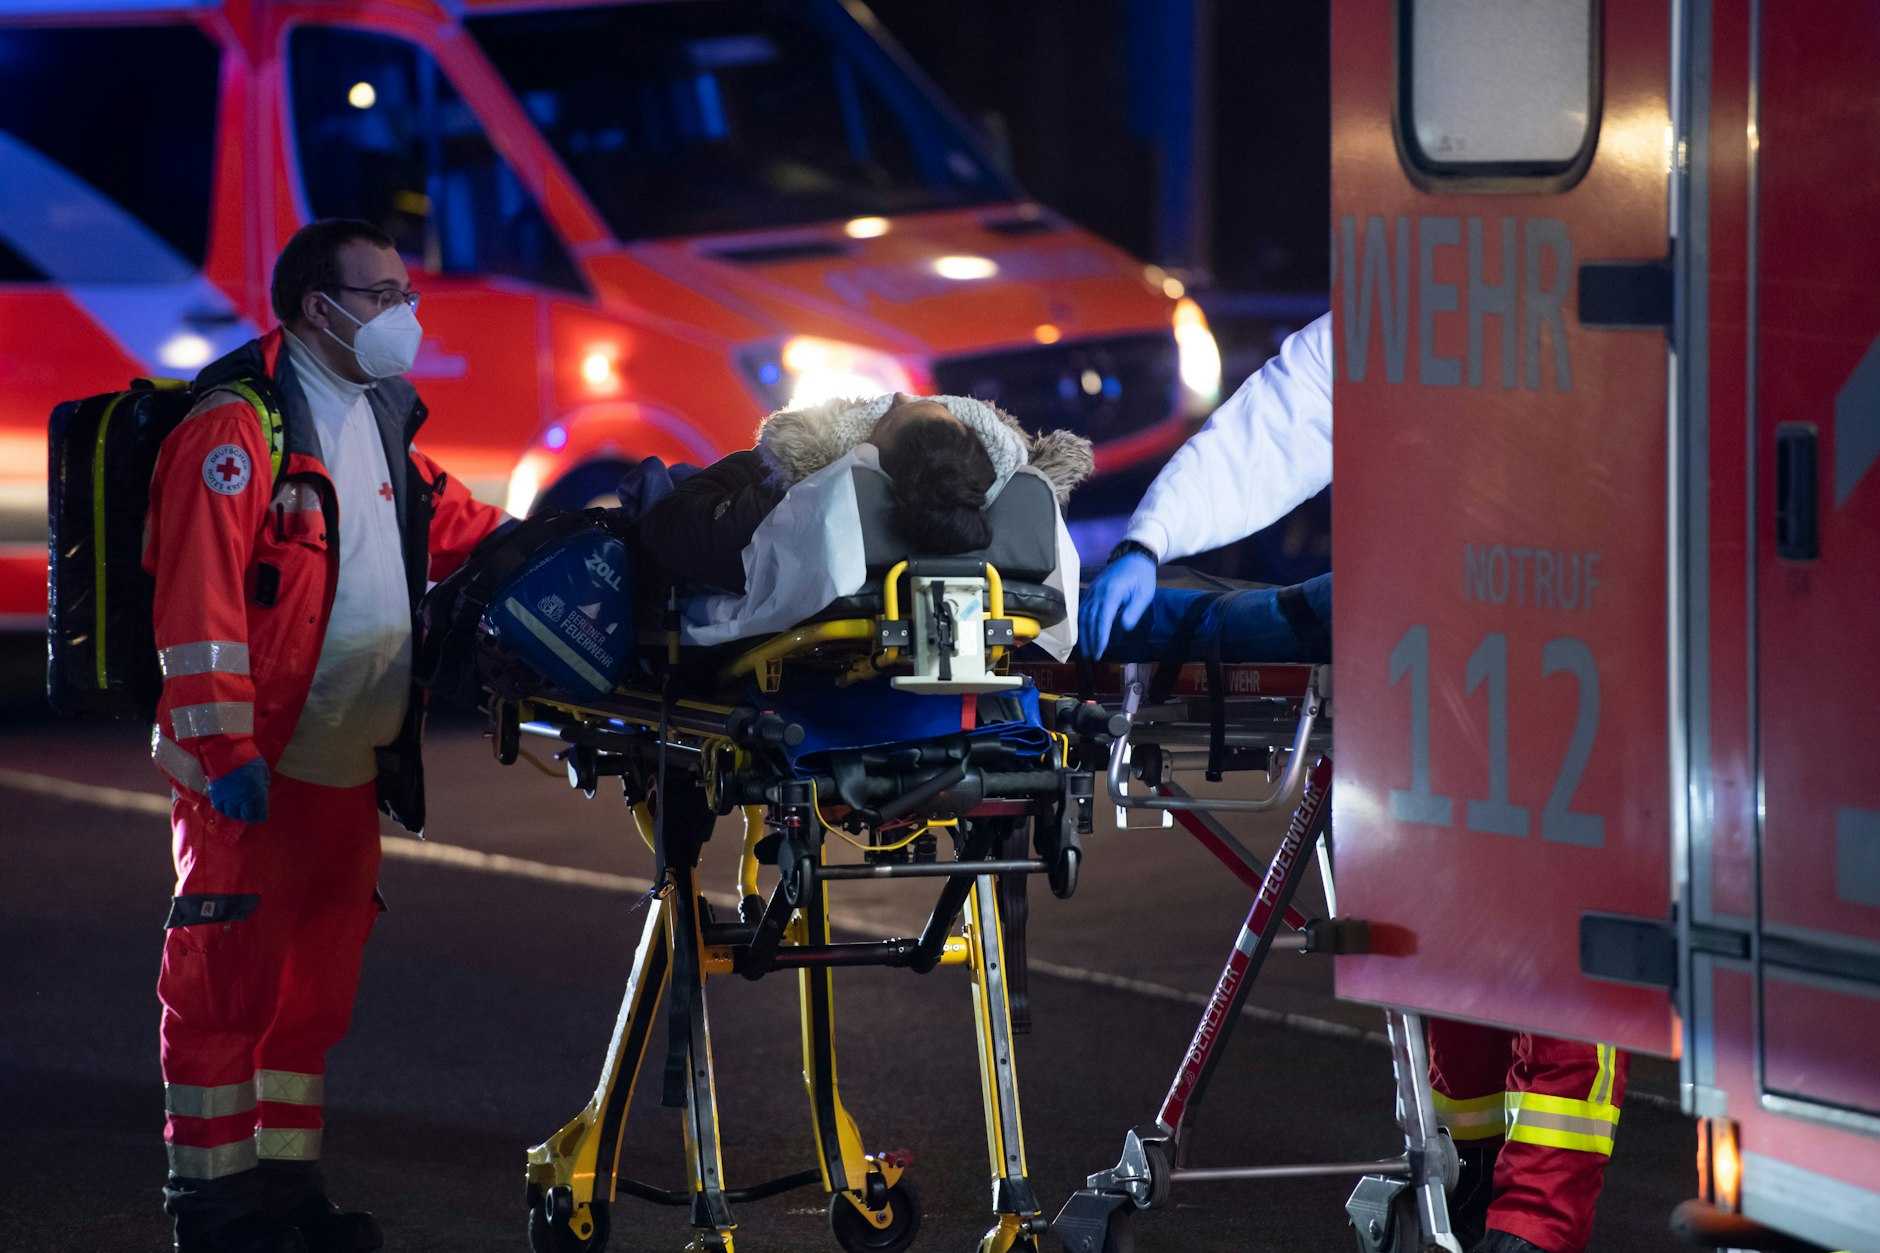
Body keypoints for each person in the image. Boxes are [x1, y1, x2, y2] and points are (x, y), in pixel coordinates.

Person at [1081, 313, 1624, 1253]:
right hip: (1433, 646)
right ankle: (1475, 1183)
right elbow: (1278, 424)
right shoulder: (1404, 300)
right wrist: (1147, 541)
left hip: (1565, 643)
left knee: (1555, 942)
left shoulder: (1574, 295)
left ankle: (1533, 1220)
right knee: (1454, 938)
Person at [145, 219, 511, 1253]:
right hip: (253, 772)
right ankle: (215, 1209)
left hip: (345, 766)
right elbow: (198, 607)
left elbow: (453, 527)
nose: (405, 313)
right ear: (319, 307)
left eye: (405, 294)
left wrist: (584, 538)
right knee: (223, 990)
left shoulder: (376, 414)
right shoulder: (236, 429)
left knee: (309, 1000)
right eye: (383, 294)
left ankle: (286, 1193)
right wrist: (226, 756)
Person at [633, 390, 1093, 593]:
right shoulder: (1021, 519)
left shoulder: (802, 509)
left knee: (656, 488)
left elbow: (668, 526)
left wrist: (765, 463)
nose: (900, 397)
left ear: (872, 462)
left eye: (893, 416)